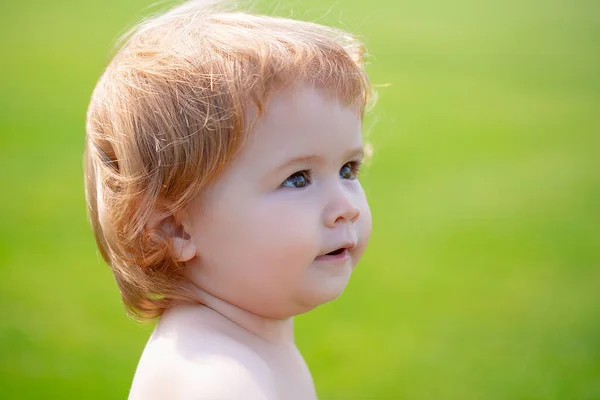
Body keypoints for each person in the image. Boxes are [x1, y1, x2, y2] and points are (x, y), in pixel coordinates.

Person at [84, 0, 373, 398]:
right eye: (298, 178)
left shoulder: (241, 346)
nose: (347, 207)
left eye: (348, 170)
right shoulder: (220, 379)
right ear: (175, 228)